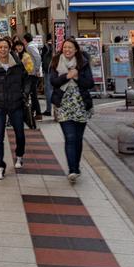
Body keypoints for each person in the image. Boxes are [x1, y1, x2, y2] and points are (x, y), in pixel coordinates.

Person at [50, 38, 95, 184]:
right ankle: (72, 170)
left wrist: (76, 77)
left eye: (70, 47)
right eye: (65, 47)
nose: (67, 50)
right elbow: (53, 82)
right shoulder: (56, 61)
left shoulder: (83, 63)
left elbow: (89, 83)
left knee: (78, 138)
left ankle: (76, 166)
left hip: (80, 104)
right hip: (63, 104)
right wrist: (66, 76)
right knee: (69, 137)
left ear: (76, 49)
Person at [0, 38, 28, 179]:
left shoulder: (17, 65)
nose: (3, 49)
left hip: (16, 103)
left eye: (6, 47)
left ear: (10, 49)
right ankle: (0, 166)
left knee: (20, 133)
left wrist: (24, 93)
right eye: (0, 47)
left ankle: (19, 155)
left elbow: (26, 80)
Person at [23, 33, 45, 120]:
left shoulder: (30, 47)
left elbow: (38, 57)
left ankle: (38, 113)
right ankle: (34, 111)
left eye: (23, 39)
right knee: (33, 93)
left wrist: (36, 69)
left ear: (25, 40)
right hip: (33, 72)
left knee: (33, 93)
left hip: (33, 73)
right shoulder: (33, 45)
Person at [41, 33, 55, 116]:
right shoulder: (57, 45)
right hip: (56, 70)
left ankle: (49, 109)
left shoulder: (46, 47)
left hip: (48, 70)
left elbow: (42, 58)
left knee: (48, 90)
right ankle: (55, 110)